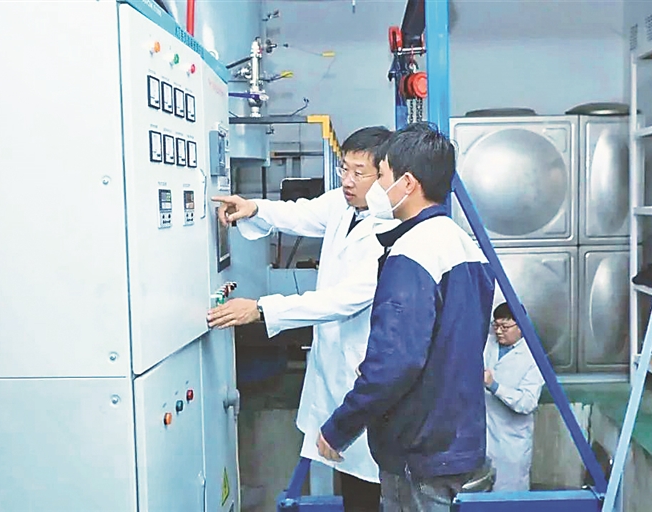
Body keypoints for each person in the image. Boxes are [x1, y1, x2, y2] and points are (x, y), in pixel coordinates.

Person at [207, 126, 396, 512]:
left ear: (384, 174)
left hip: (364, 371)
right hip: (335, 368)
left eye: (359, 172)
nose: (347, 180)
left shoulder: (391, 229)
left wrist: (261, 309)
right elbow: (300, 213)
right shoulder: (344, 205)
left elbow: (344, 300)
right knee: (352, 484)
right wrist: (254, 208)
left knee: (375, 485)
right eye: (344, 169)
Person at [317, 123, 496, 512]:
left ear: (408, 183)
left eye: (382, 176)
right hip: (457, 439)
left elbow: (396, 363)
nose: (377, 188)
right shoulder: (465, 246)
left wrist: (339, 427)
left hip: (418, 451)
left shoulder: (412, 253)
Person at [483, 302, 545, 492]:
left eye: (505, 327)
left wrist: (495, 386)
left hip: (511, 443)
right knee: (480, 495)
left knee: (509, 496)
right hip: (483, 436)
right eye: (496, 325)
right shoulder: (488, 343)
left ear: (521, 326)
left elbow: (528, 402)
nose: (498, 331)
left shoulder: (533, 357)